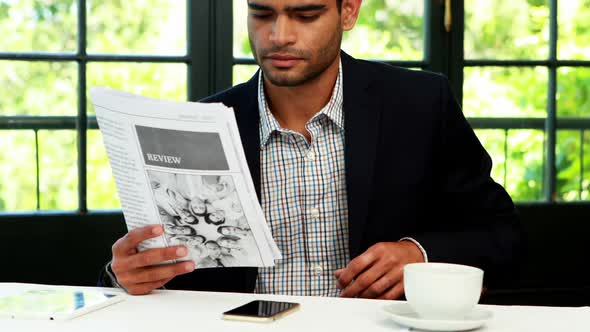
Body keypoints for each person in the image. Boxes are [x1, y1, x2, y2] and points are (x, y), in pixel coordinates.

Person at [101, 0, 523, 297]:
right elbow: (168, 272)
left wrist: (419, 252)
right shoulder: (201, 124)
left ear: (349, 10)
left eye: (305, 14)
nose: (278, 35)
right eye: (261, 13)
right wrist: (124, 276)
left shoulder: (420, 104)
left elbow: (502, 235)